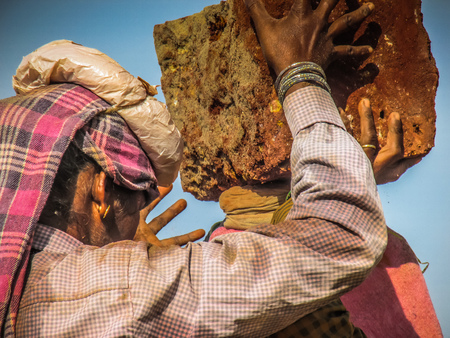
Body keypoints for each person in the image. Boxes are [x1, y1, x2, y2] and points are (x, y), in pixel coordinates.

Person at [1, 0, 387, 336]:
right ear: (101, 191)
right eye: (138, 201)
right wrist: (299, 73)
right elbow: (344, 232)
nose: (133, 231)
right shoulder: (113, 295)